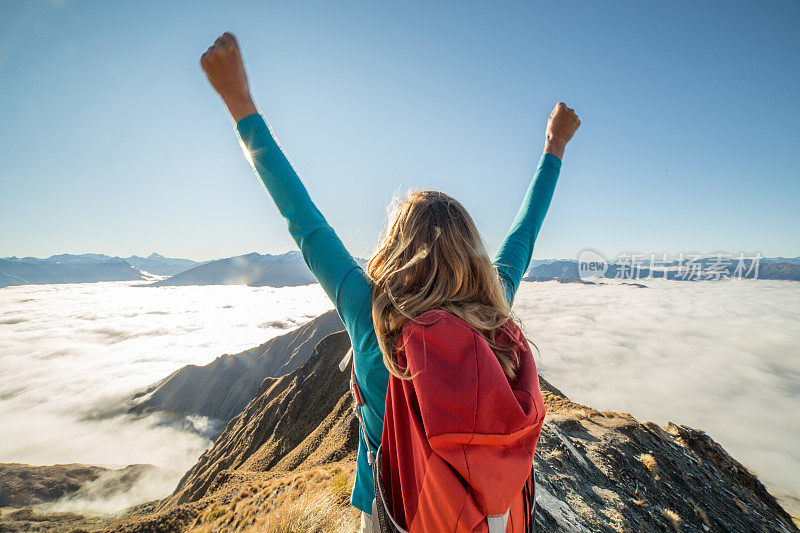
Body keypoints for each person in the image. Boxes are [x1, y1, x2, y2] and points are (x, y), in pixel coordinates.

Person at [200, 32, 579, 532]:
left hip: (395, 512)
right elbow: (523, 237)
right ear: (471, 253)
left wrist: (239, 104)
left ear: (394, 248)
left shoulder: (371, 313)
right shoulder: (493, 311)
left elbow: (304, 221)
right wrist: (554, 147)